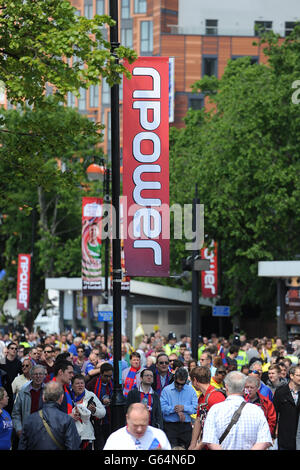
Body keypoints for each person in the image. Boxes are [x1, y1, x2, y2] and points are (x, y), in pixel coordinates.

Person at [201, 370, 272, 450]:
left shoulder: (215, 410)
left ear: (226, 386)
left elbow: (210, 441)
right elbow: (264, 441)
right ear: (244, 387)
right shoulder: (257, 411)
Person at [18, 381, 81, 450]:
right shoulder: (67, 420)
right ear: (61, 398)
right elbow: (73, 447)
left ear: (43, 397)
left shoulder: (30, 419)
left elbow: (22, 446)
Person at [103, 403, 171, 450]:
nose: (139, 429)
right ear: (127, 418)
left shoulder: (158, 435)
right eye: (135, 425)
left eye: (143, 425)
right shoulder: (115, 439)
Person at [188, 366, 226, 450]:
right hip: (206, 444)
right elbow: (198, 419)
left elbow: (218, 427)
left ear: (195, 380)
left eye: (191, 381)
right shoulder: (202, 397)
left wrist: (198, 446)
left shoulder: (216, 397)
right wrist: (193, 443)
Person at [160, 367, 198, 449]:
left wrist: (183, 408)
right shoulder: (166, 390)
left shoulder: (191, 390)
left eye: (182, 384)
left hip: (186, 427)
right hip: (170, 427)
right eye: (178, 384)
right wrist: (175, 409)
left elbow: (195, 408)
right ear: (174, 379)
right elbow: (162, 408)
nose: (180, 386)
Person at [70, 374, 106, 450]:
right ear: (72, 386)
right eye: (77, 383)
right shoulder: (68, 396)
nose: (80, 386)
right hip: (71, 434)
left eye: (82, 383)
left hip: (86, 435)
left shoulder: (90, 396)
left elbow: (103, 412)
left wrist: (94, 410)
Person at [11, 364, 46, 440]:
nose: (38, 376)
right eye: (35, 374)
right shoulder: (23, 392)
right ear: (31, 376)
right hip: (27, 431)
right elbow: (16, 413)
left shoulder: (48, 391)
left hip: (44, 432)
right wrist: (19, 430)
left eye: (40, 374)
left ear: (44, 376)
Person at [86, 362, 113, 450]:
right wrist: (101, 402)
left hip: (109, 419)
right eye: (106, 376)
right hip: (97, 420)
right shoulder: (92, 383)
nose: (108, 378)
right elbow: (87, 399)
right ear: (101, 374)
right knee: (99, 445)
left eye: (110, 376)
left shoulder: (113, 384)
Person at [273, 364, 300, 450]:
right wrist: (274, 432)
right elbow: (274, 414)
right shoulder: (281, 392)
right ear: (291, 376)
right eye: (298, 375)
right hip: (285, 437)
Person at [0, 342, 23, 415]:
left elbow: (22, 375)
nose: (14, 350)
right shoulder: (2, 361)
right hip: (3, 387)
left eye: (16, 349)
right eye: (12, 348)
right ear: (8, 350)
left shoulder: (18, 362)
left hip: (13, 389)